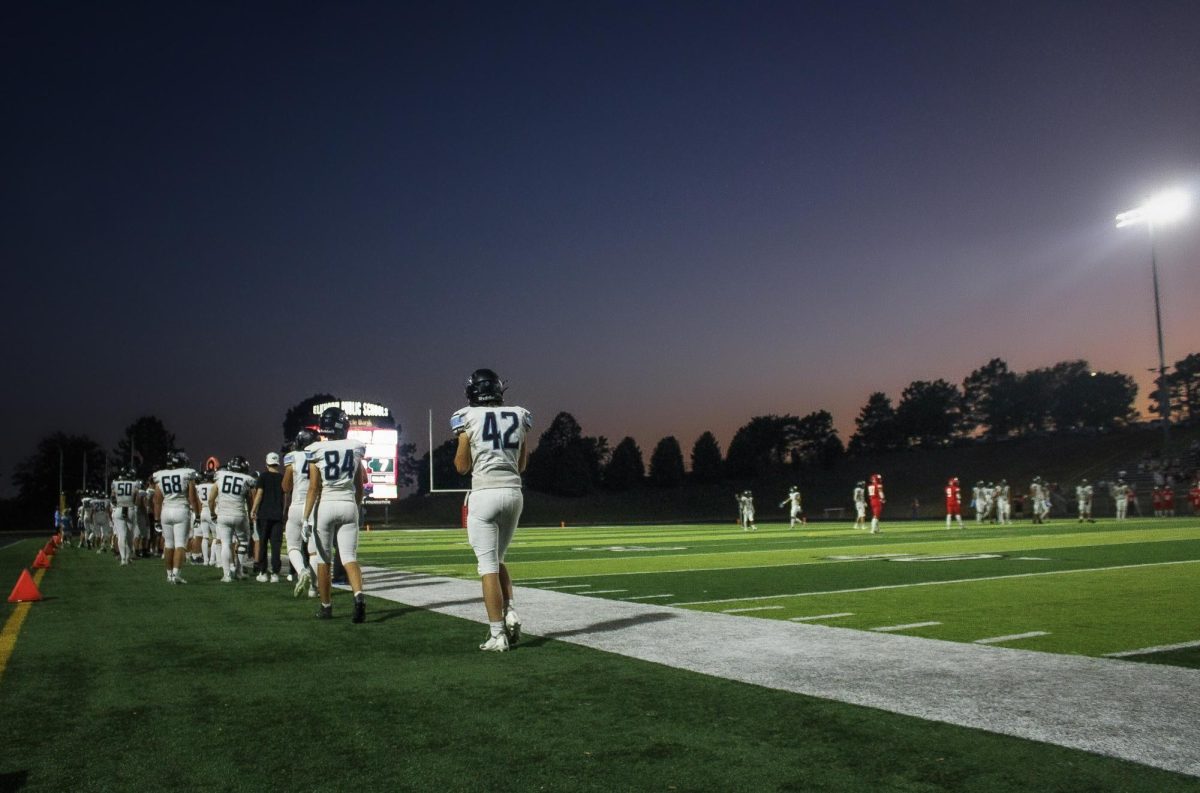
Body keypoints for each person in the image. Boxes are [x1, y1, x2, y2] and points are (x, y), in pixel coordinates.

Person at [452, 369, 532, 651]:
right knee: (498, 559)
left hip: (485, 493)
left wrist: (464, 442)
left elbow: (462, 467)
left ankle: (497, 634)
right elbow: (522, 465)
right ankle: (509, 610)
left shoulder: (466, 416)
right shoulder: (520, 414)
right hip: (513, 493)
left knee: (487, 567)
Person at [304, 407, 368, 622]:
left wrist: (305, 517)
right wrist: (355, 507)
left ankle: (326, 607)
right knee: (349, 557)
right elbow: (360, 485)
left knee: (324, 560)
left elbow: (314, 487)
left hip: (327, 505)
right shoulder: (355, 447)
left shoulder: (316, 449)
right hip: (348, 503)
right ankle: (358, 596)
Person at [152, 451, 201, 584]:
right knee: (180, 544)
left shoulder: (160, 475)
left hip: (166, 510)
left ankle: (169, 575)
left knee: (169, 544)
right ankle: (176, 575)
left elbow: (157, 500)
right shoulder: (187, 474)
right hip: (181, 509)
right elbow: (192, 498)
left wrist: (156, 519)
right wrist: (197, 515)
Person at [283, 430, 319, 598]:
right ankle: (313, 588)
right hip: (314, 506)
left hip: (296, 506)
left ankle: (301, 570)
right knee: (313, 551)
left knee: (293, 547)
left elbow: (286, 487)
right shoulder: (320, 455)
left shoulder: (293, 457)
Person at [209, 457, 257, 582]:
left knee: (226, 543)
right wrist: (251, 517)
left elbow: (211, 498)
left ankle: (227, 575)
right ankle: (239, 571)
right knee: (243, 543)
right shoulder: (247, 479)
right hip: (239, 514)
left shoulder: (220, 476)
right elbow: (250, 500)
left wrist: (212, 513)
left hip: (223, 515)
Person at [252, 452, 285, 583]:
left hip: (264, 514)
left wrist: (253, 509)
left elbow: (259, 494)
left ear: (266, 463)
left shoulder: (263, 476)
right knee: (276, 546)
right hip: (277, 515)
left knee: (263, 544)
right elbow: (285, 497)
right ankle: (275, 574)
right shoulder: (282, 477)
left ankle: (263, 572)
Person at [110, 467, 140, 565]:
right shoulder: (135, 483)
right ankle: (127, 558)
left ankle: (123, 559)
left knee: (121, 536)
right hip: (130, 508)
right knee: (130, 536)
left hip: (119, 509)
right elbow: (136, 499)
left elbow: (113, 498)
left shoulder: (115, 483)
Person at [194, 470, 216, 566]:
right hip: (211, 511)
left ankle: (205, 560)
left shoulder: (199, 486)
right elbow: (214, 501)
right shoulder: (214, 486)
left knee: (205, 537)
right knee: (215, 537)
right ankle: (212, 560)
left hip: (202, 511)